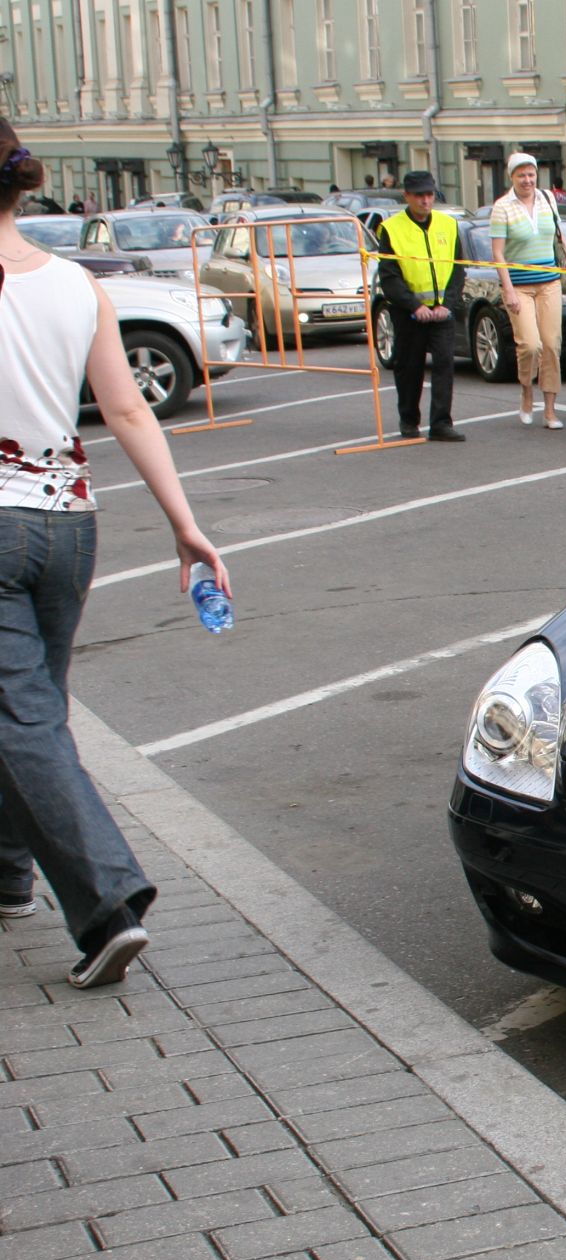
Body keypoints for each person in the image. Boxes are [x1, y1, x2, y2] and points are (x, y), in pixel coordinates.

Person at [0, 119, 231, 988]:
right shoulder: (74, 284)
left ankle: (106, 906)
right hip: (68, 525)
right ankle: (10, 874)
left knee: (20, 716)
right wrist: (185, 523)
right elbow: (130, 411)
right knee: (30, 709)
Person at [490, 151, 566, 430]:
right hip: (519, 285)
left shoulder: (548, 199)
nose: (527, 180)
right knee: (530, 345)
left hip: (549, 281)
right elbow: (497, 253)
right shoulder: (502, 207)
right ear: (512, 177)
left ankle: (550, 410)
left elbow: (558, 234)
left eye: (531, 174)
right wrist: (509, 290)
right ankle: (527, 389)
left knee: (552, 344)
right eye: (521, 175)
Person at [375, 171, 466, 442]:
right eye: (419, 196)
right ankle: (409, 420)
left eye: (429, 195)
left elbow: (457, 270)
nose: (426, 201)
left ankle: (440, 423)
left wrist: (447, 304)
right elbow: (389, 277)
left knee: (444, 366)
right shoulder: (392, 229)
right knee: (409, 367)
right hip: (409, 313)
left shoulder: (448, 225)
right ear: (407, 196)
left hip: (441, 312)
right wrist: (414, 306)